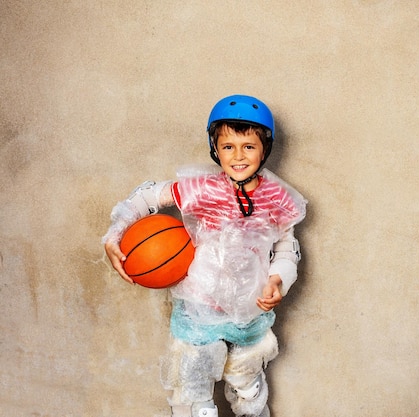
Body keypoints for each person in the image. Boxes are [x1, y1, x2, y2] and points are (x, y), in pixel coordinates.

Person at [102, 95, 307, 417]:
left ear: (264, 149)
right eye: (228, 147)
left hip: (249, 308)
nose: (238, 156)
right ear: (215, 148)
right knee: (191, 392)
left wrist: (278, 279)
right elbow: (147, 196)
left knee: (248, 388)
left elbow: (286, 246)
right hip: (199, 305)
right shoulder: (203, 189)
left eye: (248, 147)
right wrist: (115, 235)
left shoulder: (277, 198)